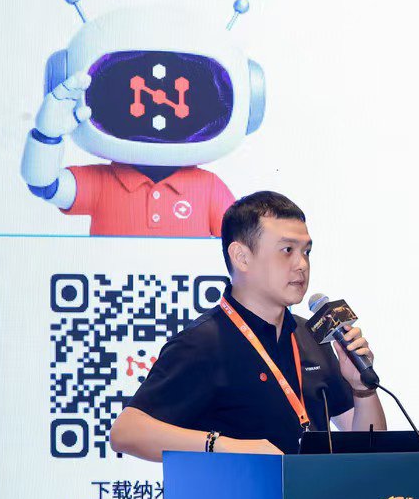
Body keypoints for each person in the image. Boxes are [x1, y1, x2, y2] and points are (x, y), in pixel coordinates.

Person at [110, 190, 386, 460]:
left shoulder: (313, 337)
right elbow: (126, 432)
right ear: (241, 257)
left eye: (307, 251)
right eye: (287, 250)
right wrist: (224, 446)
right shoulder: (203, 342)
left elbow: (368, 450)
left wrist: (362, 389)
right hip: (239, 491)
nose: (301, 264)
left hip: (310, 491)